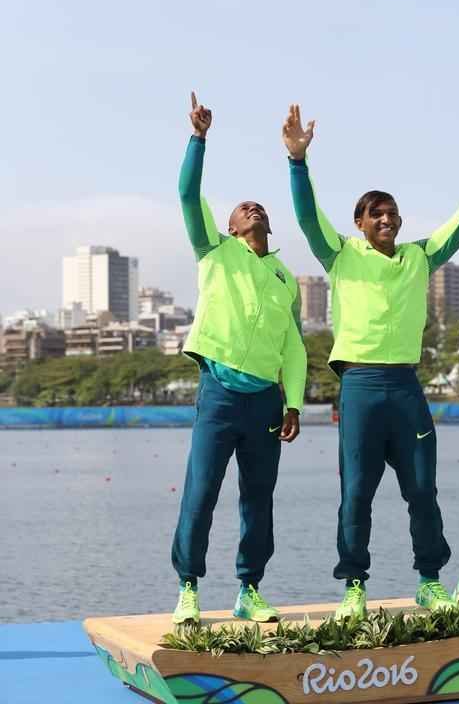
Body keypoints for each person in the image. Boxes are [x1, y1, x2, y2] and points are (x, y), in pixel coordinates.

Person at [282, 106, 459, 618]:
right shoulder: (340, 254)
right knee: (357, 493)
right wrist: (297, 162)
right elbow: (307, 217)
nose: (388, 219)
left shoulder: (419, 257)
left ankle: (429, 580)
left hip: (406, 386)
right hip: (360, 386)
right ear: (360, 223)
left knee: (422, 488)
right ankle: (354, 585)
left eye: (393, 212)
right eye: (377, 212)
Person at [171, 94, 306, 625]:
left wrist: (293, 403)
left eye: (261, 207)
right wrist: (198, 139)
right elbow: (187, 193)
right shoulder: (214, 253)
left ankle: (249, 590)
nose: (255, 209)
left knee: (259, 500)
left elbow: (294, 347)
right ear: (228, 228)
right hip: (221, 393)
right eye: (243, 208)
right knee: (201, 491)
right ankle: (188, 587)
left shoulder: (285, 278)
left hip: (267, 403)